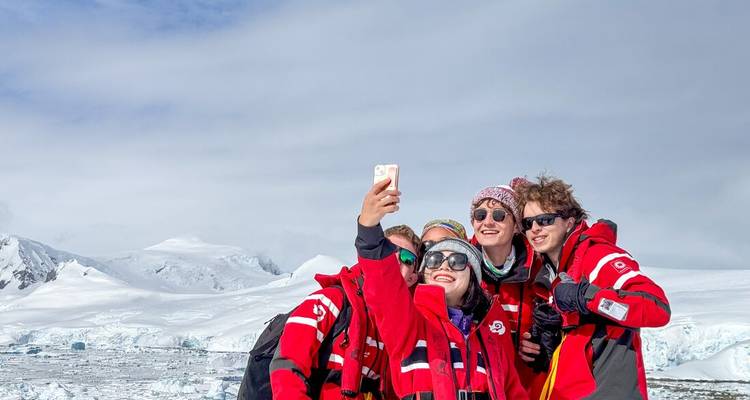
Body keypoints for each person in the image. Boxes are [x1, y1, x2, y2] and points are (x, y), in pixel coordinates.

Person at [356, 179, 528, 400]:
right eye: (435, 259)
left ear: (472, 278)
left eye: (457, 260)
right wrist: (369, 228)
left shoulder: (489, 342)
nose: (445, 265)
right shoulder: (408, 325)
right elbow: (383, 283)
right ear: (423, 273)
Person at [516, 175, 671, 400]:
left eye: (545, 220)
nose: (535, 229)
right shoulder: (552, 274)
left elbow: (656, 309)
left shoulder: (598, 256)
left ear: (569, 221)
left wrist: (585, 296)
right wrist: (548, 349)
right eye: (528, 223)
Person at [270, 224, 421, 399]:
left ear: (412, 278)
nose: (395, 258)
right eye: (387, 250)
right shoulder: (330, 301)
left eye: (407, 258)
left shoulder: (401, 328)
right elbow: (287, 363)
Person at [469, 181, 556, 399]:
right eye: (480, 215)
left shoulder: (539, 269)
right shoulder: (462, 267)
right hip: (476, 389)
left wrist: (547, 344)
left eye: (499, 215)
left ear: (517, 225)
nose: (488, 222)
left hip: (525, 389)